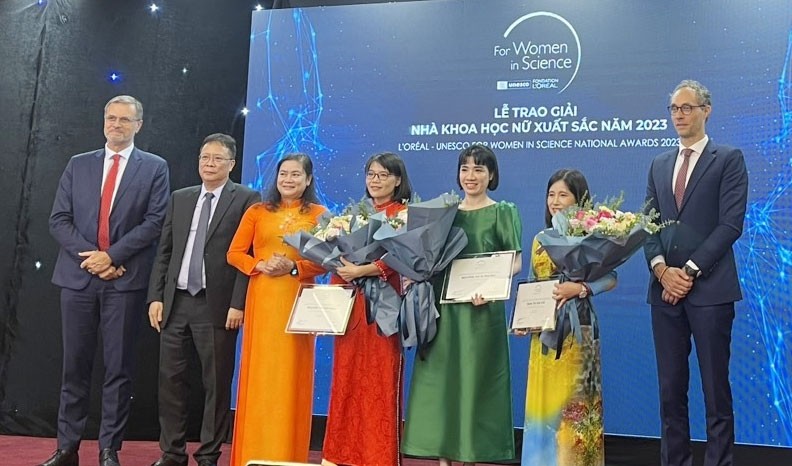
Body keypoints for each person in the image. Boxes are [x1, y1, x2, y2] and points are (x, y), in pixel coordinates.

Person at [42, 95, 170, 466]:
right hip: (78, 279)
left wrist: (112, 257)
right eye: (111, 119)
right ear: (103, 121)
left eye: (124, 120)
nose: (116, 125)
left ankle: (108, 449)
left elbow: (155, 221)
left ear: (138, 125)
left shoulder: (154, 167)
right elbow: (58, 220)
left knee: (117, 368)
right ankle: (67, 447)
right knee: (74, 366)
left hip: (124, 281)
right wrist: (94, 260)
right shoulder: (78, 164)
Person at [644, 80, 748, 466]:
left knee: (715, 390)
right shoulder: (658, 164)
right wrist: (661, 270)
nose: (679, 116)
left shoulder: (728, 158)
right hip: (664, 294)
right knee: (671, 391)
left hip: (710, 293)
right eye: (674, 109)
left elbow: (730, 225)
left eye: (686, 108)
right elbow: (647, 224)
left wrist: (686, 272)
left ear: (706, 110)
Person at [402, 144, 522, 465]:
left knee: (474, 381)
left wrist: (489, 286)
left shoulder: (503, 212)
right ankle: (443, 456)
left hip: (481, 310)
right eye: (465, 168)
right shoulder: (445, 212)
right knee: (443, 381)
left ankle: (468, 455)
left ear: (491, 175)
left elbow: (515, 262)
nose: (471, 176)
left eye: (479, 169)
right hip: (444, 309)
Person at [146, 133, 259, 466]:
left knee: (216, 381)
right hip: (176, 301)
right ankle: (172, 452)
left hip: (218, 304)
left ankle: (209, 453)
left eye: (217, 159)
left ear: (231, 164)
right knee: (170, 380)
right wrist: (156, 296)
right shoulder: (181, 197)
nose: (209, 164)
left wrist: (238, 303)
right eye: (204, 158)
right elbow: (164, 252)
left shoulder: (246, 199)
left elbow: (246, 255)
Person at [227, 153, 327, 465]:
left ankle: (287, 454)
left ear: (308, 180)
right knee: (261, 376)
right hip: (263, 297)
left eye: (296, 175)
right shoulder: (257, 211)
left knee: (291, 377)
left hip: (298, 302)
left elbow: (326, 261)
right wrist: (259, 264)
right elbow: (234, 253)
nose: (288, 180)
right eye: (284, 174)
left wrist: (294, 267)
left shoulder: (320, 214)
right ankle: (252, 454)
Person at [519, 169, 617, 466]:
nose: (555, 201)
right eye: (551, 194)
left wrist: (583, 288)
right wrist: (523, 320)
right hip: (544, 338)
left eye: (563, 195)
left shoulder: (591, 236)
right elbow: (532, 282)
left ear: (579, 200)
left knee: (574, 411)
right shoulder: (540, 238)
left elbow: (611, 277)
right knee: (543, 406)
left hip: (578, 334)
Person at [321, 152, 412, 466]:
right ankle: (340, 454)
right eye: (371, 174)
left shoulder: (403, 213)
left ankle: (377, 456)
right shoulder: (353, 214)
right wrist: (342, 267)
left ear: (398, 180)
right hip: (352, 305)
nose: (376, 181)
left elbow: (403, 259)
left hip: (384, 308)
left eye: (383, 175)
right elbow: (334, 252)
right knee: (346, 377)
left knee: (380, 378)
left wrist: (366, 270)